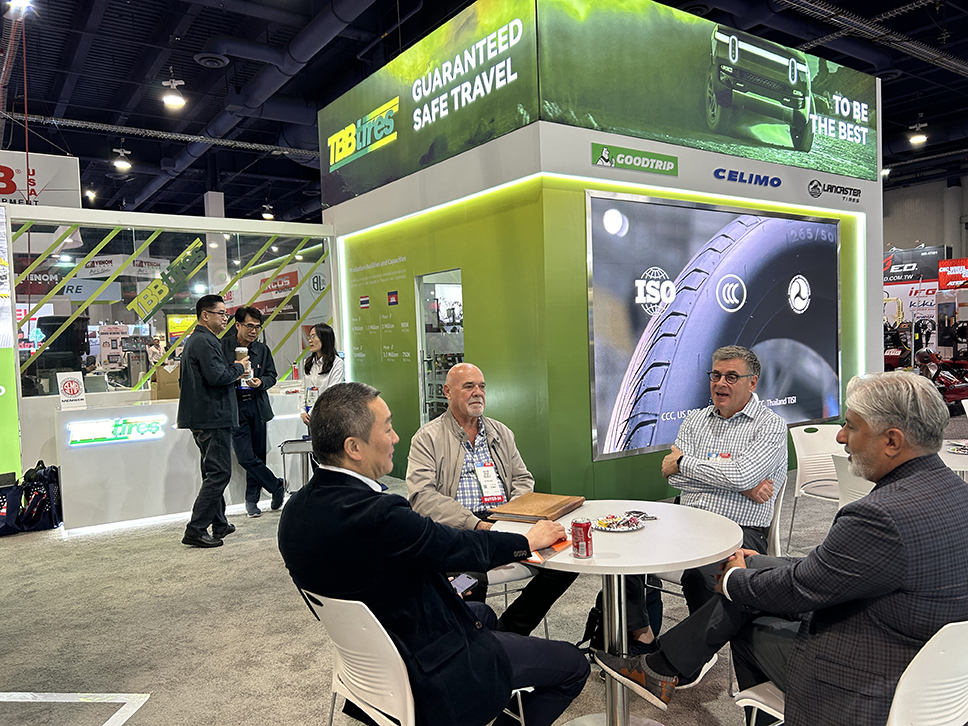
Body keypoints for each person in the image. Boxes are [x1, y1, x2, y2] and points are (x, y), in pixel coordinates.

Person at [596, 371, 968, 726]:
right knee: (752, 581)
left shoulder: (878, 515)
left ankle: (671, 671)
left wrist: (735, 581)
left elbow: (802, 590)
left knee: (743, 611)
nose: (841, 437)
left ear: (892, 441)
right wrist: (760, 563)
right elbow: (842, 569)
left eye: (851, 426)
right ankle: (663, 668)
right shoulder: (956, 492)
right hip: (934, 667)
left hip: (869, 675)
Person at [278, 382, 589, 726]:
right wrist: (526, 541)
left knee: (482, 612)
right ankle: (492, 675)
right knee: (574, 666)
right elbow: (458, 546)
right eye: (388, 428)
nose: (395, 438)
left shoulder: (294, 513)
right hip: (429, 668)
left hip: (373, 655)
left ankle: (500, 652)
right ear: (354, 447)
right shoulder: (381, 515)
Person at [406, 363, 580, 637]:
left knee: (567, 560)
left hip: (504, 522)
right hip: (459, 529)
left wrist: (516, 515)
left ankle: (507, 633)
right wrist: (475, 524)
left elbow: (523, 479)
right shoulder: (427, 438)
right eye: (468, 387)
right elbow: (422, 498)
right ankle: (478, 643)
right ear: (447, 392)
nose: (478, 393)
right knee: (469, 581)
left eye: (481, 386)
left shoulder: (501, 433)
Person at [660, 345, 788, 613]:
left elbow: (741, 474)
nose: (720, 383)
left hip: (740, 530)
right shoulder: (695, 420)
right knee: (627, 557)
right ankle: (642, 632)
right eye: (716, 375)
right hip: (687, 523)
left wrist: (683, 463)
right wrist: (742, 488)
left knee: (701, 576)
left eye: (731, 377)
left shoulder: (770, 425)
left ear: (752, 382)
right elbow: (674, 480)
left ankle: (700, 642)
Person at [177, 294, 248, 548]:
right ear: (205, 315)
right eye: (221, 313)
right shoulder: (204, 341)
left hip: (204, 416)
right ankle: (196, 529)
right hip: (212, 417)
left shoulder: (199, 340)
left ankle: (219, 523)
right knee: (219, 473)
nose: (225, 318)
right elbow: (217, 377)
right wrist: (239, 368)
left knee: (211, 471)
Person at [222, 306, 285, 518]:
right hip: (235, 406)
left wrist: (261, 382)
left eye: (257, 327)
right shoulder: (223, 347)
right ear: (237, 325)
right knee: (245, 457)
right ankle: (276, 485)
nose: (253, 331)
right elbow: (218, 375)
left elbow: (272, 375)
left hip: (257, 404)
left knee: (258, 455)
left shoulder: (262, 350)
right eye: (249, 326)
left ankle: (252, 501)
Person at [298, 322, 345, 426]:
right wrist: (302, 411)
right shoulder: (309, 362)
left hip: (327, 416)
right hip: (309, 415)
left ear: (324, 338)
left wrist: (312, 413)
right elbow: (303, 389)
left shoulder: (337, 363)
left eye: (313, 336)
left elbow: (330, 393)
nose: (310, 340)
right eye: (309, 337)